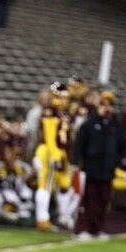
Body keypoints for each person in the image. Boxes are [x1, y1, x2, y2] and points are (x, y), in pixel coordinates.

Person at [71, 90, 126, 239]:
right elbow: (79, 145)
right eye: (103, 104)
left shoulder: (116, 126)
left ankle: (97, 228)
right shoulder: (89, 124)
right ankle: (83, 228)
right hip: (90, 168)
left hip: (108, 169)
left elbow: (122, 146)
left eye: (110, 105)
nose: (106, 108)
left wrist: (117, 162)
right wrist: (75, 163)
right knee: (88, 200)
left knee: (103, 201)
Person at [33, 82, 76, 231]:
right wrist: (55, 156)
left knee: (65, 185)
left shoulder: (64, 114)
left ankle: (63, 216)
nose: (63, 100)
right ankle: (42, 219)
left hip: (61, 152)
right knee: (46, 184)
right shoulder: (50, 112)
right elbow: (50, 137)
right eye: (59, 97)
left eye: (65, 97)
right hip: (49, 151)